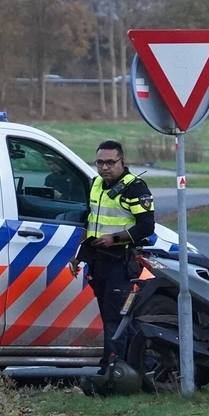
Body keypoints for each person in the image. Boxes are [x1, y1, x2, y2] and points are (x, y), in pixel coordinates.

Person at [71, 140, 154, 374]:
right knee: (111, 317)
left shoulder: (135, 188)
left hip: (122, 261)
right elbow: (91, 222)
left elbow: (147, 226)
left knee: (117, 320)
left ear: (122, 162)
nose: (105, 167)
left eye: (110, 162)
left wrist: (115, 238)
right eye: (100, 162)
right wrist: (79, 255)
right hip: (99, 262)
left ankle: (114, 369)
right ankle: (125, 368)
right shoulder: (96, 184)